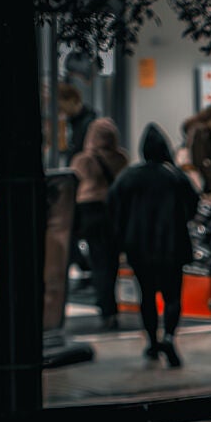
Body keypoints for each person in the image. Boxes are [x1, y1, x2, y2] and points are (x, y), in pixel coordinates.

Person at [108, 123, 199, 368]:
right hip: (172, 246)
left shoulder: (129, 177)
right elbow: (193, 205)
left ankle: (151, 341)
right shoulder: (175, 176)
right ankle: (169, 336)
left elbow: (114, 207)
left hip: (139, 247)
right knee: (172, 296)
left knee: (146, 295)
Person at [69, 117, 128, 331]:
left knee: (98, 262)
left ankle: (106, 307)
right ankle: (109, 306)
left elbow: (73, 187)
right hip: (113, 213)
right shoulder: (121, 159)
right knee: (110, 264)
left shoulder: (83, 160)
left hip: (89, 213)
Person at [182, 104, 211, 198]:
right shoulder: (201, 131)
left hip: (199, 175)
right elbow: (199, 158)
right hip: (201, 176)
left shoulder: (197, 129)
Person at [58, 83, 97, 161]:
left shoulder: (88, 123)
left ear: (72, 100)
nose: (62, 111)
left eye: (61, 107)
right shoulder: (73, 122)